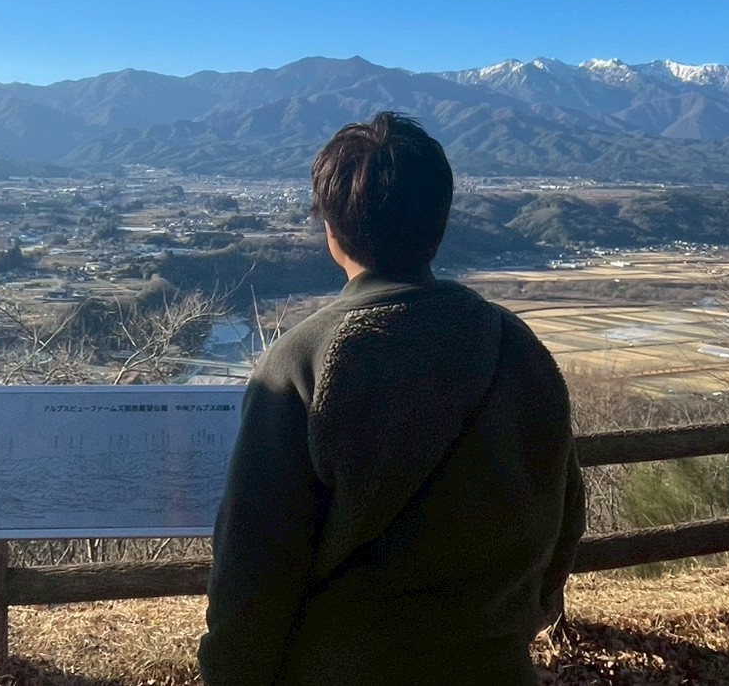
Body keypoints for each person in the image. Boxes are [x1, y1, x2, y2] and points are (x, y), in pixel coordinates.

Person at [199, 113, 585, 686]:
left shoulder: (301, 361)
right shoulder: (516, 344)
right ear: (440, 223)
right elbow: (565, 513)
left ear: (331, 229)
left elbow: (253, 566)